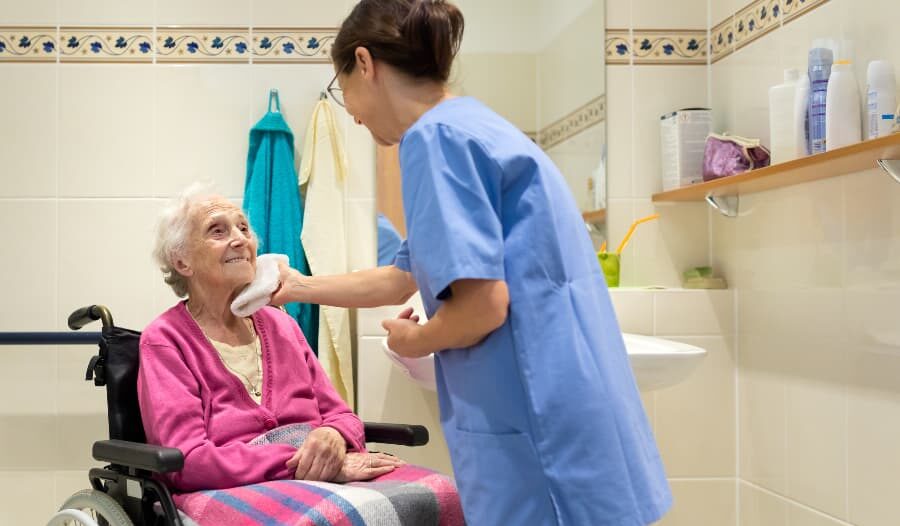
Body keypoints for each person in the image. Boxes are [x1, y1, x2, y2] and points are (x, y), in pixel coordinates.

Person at [270, 1, 673, 524]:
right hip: (570, 415)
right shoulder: (473, 128)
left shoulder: (434, 140)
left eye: (340, 87)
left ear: (364, 64)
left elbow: (482, 307)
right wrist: (296, 286)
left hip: (538, 430)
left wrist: (419, 339)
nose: (351, 112)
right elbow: (401, 277)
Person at [138, 188, 407, 494]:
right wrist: (308, 464)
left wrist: (334, 434)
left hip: (319, 477)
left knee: (436, 491)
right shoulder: (165, 340)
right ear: (182, 262)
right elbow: (188, 461)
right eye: (217, 231)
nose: (240, 239)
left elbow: (341, 415)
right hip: (235, 489)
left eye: (243, 228)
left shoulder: (282, 325)